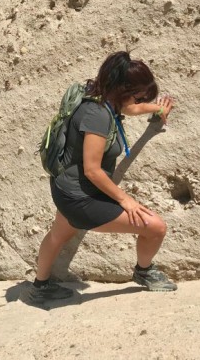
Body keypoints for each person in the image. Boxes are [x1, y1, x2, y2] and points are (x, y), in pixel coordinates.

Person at [25, 51, 177, 304]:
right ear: (123, 89)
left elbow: (129, 108)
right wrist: (126, 201)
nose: (139, 99)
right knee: (155, 227)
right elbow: (92, 170)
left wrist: (157, 108)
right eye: (138, 93)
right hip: (81, 196)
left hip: (65, 187)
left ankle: (38, 287)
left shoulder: (97, 94)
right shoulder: (98, 115)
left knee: (58, 235)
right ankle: (144, 271)